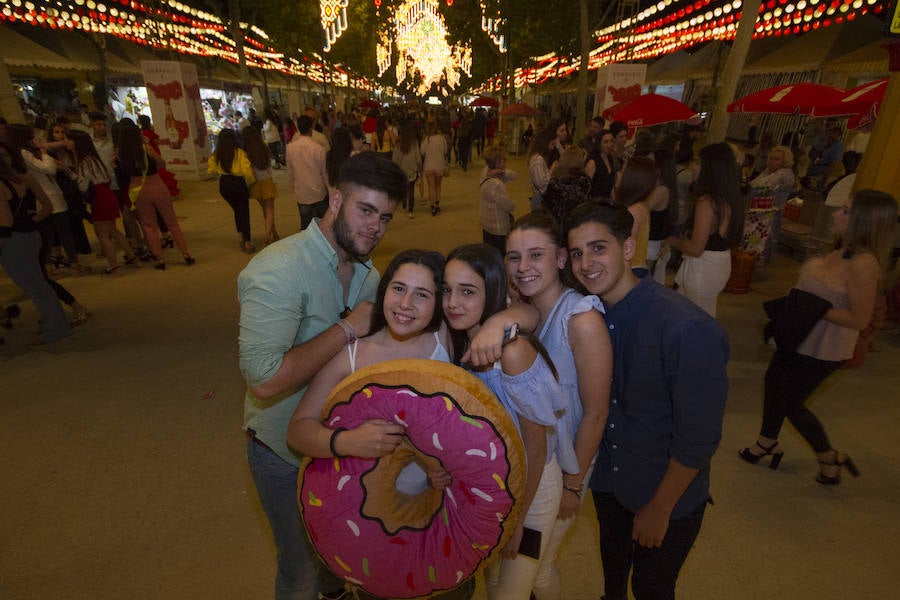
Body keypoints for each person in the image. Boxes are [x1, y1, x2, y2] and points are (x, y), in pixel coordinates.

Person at [564, 201, 729, 600]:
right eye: (576, 253)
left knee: (652, 587)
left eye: (598, 248)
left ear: (627, 247)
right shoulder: (589, 311)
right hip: (609, 482)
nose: (586, 263)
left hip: (664, 492)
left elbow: (699, 437)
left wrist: (660, 508)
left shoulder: (685, 328)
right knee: (614, 575)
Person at [738, 189, 898, 484]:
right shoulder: (843, 248)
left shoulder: (864, 264)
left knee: (790, 404)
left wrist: (811, 308)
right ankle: (767, 441)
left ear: (864, 221)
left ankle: (829, 457)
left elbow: (859, 319)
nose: (836, 214)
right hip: (800, 335)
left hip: (824, 347)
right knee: (773, 383)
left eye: (846, 211)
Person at [443, 244, 566, 600]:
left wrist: (516, 520)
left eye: (467, 292)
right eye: (447, 290)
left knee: (514, 589)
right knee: (497, 582)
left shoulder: (512, 353)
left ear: (493, 292)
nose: (453, 302)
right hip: (489, 486)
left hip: (532, 488)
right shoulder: (457, 342)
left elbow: (536, 447)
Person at [505, 213, 612, 600]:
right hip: (534, 463)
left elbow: (597, 412)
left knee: (538, 570)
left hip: (566, 469)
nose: (523, 267)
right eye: (514, 257)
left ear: (562, 259)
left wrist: (573, 484)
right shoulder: (528, 311)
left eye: (536, 255)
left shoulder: (581, 320)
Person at [0, 146, 70, 345]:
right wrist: (32, 222)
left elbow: (5, 222)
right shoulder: (24, 178)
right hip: (31, 235)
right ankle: (57, 325)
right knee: (40, 284)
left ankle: (54, 330)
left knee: (35, 288)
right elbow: (46, 206)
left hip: (14, 241)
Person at [666, 143, 744, 317]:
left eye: (699, 162)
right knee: (686, 314)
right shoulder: (731, 196)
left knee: (699, 323)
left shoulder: (708, 202)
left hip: (703, 267)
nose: (694, 167)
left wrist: (671, 239)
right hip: (719, 263)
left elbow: (696, 248)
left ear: (710, 168)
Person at [116, 121, 194, 270]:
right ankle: (186, 254)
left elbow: (122, 174)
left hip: (137, 190)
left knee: (149, 226)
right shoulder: (146, 149)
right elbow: (162, 164)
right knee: (172, 222)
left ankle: (160, 259)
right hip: (157, 185)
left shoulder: (120, 154)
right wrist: (150, 149)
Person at [67, 131, 139, 274]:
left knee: (102, 234)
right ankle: (133, 257)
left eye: (68, 139)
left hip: (99, 197)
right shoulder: (94, 158)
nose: (66, 142)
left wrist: (69, 173)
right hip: (106, 194)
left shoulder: (83, 161)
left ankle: (114, 265)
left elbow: (82, 184)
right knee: (113, 230)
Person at [208, 129, 256, 253]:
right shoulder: (239, 153)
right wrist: (251, 183)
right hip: (238, 184)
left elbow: (210, 170)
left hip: (224, 184)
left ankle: (240, 236)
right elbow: (247, 172)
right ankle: (247, 242)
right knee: (243, 212)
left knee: (237, 211)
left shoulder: (217, 153)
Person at [750, 145, 796, 264]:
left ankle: (759, 264)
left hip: (772, 213)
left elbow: (763, 190)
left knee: (766, 240)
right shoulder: (768, 172)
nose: (771, 161)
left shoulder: (784, 175)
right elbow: (753, 184)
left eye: (776, 159)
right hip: (760, 211)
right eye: (770, 158)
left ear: (785, 161)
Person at [613, 157, 658, 271]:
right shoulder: (640, 206)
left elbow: (623, 250)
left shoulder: (635, 211)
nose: (618, 174)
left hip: (630, 270)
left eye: (622, 171)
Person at [285, 115, 329, 230]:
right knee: (323, 224)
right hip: (319, 192)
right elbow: (324, 173)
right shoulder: (318, 149)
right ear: (311, 128)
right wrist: (330, 189)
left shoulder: (290, 148)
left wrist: (293, 188)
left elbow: (290, 171)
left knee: (305, 225)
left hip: (302, 192)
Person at [242, 127, 280, 246]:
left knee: (265, 210)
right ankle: (268, 236)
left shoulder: (246, 152)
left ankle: (274, 232)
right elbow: (269, 168)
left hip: (255, 184)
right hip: (267, 182)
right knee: (269, 211)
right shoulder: (263, 147)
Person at [478, 146, 516, 257]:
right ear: (498, 162)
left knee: (488, 251)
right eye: (504, 160)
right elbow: (508, 205)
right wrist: (514, 204)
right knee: (499, 254)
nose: (506, 162)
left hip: (487, 223)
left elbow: (513, 175)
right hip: (498, 226)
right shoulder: (496, 184)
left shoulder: (485, 172)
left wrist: (501, 172)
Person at [541, 147, 592, 227]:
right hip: (574, 223)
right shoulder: (583, 180)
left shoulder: (555, 178)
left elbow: (546, 202)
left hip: (554, 222)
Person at [391, 121, 421, 219]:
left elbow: (394, 159)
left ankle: (404, 204)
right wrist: (419, 168)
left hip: (401, 170)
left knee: (404, 189)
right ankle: (410, 211)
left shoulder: (398, 145)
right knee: (411, 190)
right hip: (412, 170)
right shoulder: (414, 143)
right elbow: (418, 158)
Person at [526, 127, 558, 213]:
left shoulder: (537, 158)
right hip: (540, 200)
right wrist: (552, 169)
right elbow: (542, 185)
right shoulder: (538, 160)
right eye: (552, 144)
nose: (552, 148)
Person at [421, 122, 448, 216]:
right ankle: (437, 203)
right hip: (440, 165)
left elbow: (422, 151)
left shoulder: (427, 139)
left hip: (429, 165)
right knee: (438, 185)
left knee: (431, 186)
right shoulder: (442, 138)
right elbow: (445, 151)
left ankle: (432, 206)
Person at [584, 130, 617, 202]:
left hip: (607, 203)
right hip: (594, 203)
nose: (609, 145)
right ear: (599, 144)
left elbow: (611, 187)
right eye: (605, 142)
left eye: (611, 141)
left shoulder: (610, 158)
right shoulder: (593, 162)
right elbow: (585, 188)